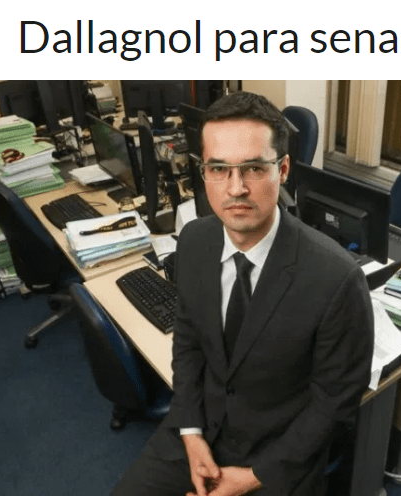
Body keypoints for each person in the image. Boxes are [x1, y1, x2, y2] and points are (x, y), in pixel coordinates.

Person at [111, 91, 374, 496]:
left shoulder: (337, 279)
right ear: (204, 172)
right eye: (219, 168)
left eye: (253, 168)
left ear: (282, 169)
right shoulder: (194, 242)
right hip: (199, 429)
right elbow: (188, 342)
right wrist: (190, 431)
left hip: (277, 456)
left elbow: (334, 404)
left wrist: (253, 477)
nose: (235, 189)